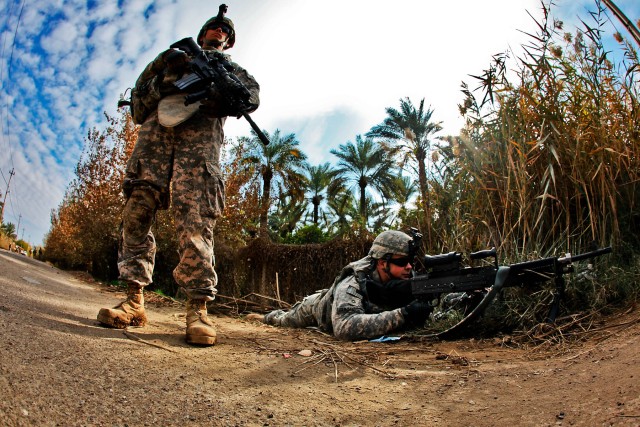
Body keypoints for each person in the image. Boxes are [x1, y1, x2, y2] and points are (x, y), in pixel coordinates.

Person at [97, 4, 260, 346]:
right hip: (156, 135)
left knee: (196, 217)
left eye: (226, 32)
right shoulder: (171, 56)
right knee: (138, 208)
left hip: (199, 143)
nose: (220, 32)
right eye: (216, 27)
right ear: (204, 32)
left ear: (228, 43)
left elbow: (251, 98)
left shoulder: (231, 69)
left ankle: (198, 309)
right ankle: (133, 300)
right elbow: (139, 107)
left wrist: (219, 95)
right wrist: (168, 78)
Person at [246, 230, 433, 341]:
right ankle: (265, 318)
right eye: (402, 262)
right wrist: (403, 315)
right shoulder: (353, 282)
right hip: (317, 308)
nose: (409, 267)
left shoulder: (408, 279)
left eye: (411, 261)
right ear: (382, 262)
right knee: (285, 321)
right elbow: (344, 327)